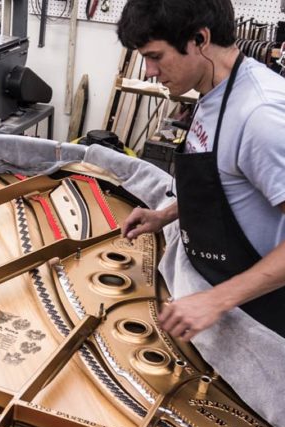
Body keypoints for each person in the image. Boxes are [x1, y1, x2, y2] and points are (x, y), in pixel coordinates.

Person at [117, 0, 285, 340]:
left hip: (264, 319)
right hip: (224, 293)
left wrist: (215, 301)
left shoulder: (260, 115)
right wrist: (166, 215)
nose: (149, 71)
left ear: (199, 39)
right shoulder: (213, 91)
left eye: (155, 56)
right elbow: (227, 182)